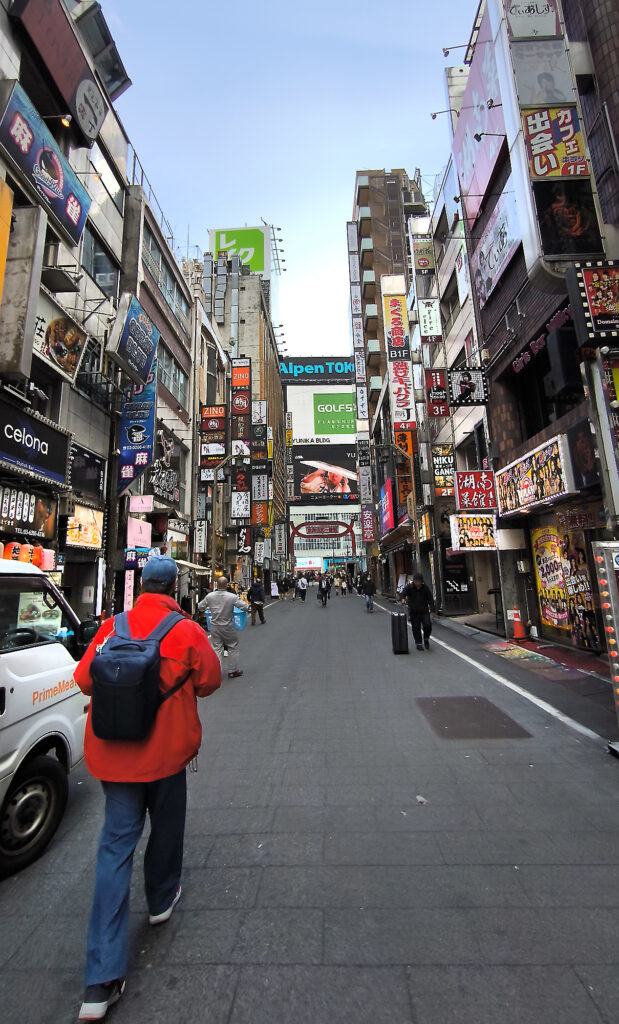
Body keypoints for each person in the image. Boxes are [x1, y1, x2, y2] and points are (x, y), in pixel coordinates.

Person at [73, 556, 221, 1022]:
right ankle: (161, 898)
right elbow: (211, 682)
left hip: (113, 758)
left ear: (140, 585)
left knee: (114, 849)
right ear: (175, 587)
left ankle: (99, 982)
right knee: (167, 827)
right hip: (165, 756)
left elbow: (83, 680)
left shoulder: (112, 627)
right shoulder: (185, 630)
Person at [199, 576, 249, 678]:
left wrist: (209, 607)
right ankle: (232, 670)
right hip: (227, 625)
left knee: (217, 648)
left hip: (214, 625)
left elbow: (200, 607)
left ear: (217, 584)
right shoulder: (232, 597)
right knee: (232, 646)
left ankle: (216, 671)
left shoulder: (210, 596)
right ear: (227, 585)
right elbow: (245, 607)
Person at [401, 572, 436, 650]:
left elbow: (431, 600)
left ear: (421, 581)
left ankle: (426, 638)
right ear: (413, 581)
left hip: (424, 611)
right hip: (414, 611)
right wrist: (403, 598)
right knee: (416, 628)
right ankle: (418, 643)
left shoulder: (425, 588)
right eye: (416, 581)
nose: (417, 583)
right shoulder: (410, 587)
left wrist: (432, 610)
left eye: (419, 581)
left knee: (428, 625)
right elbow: (403, 593)